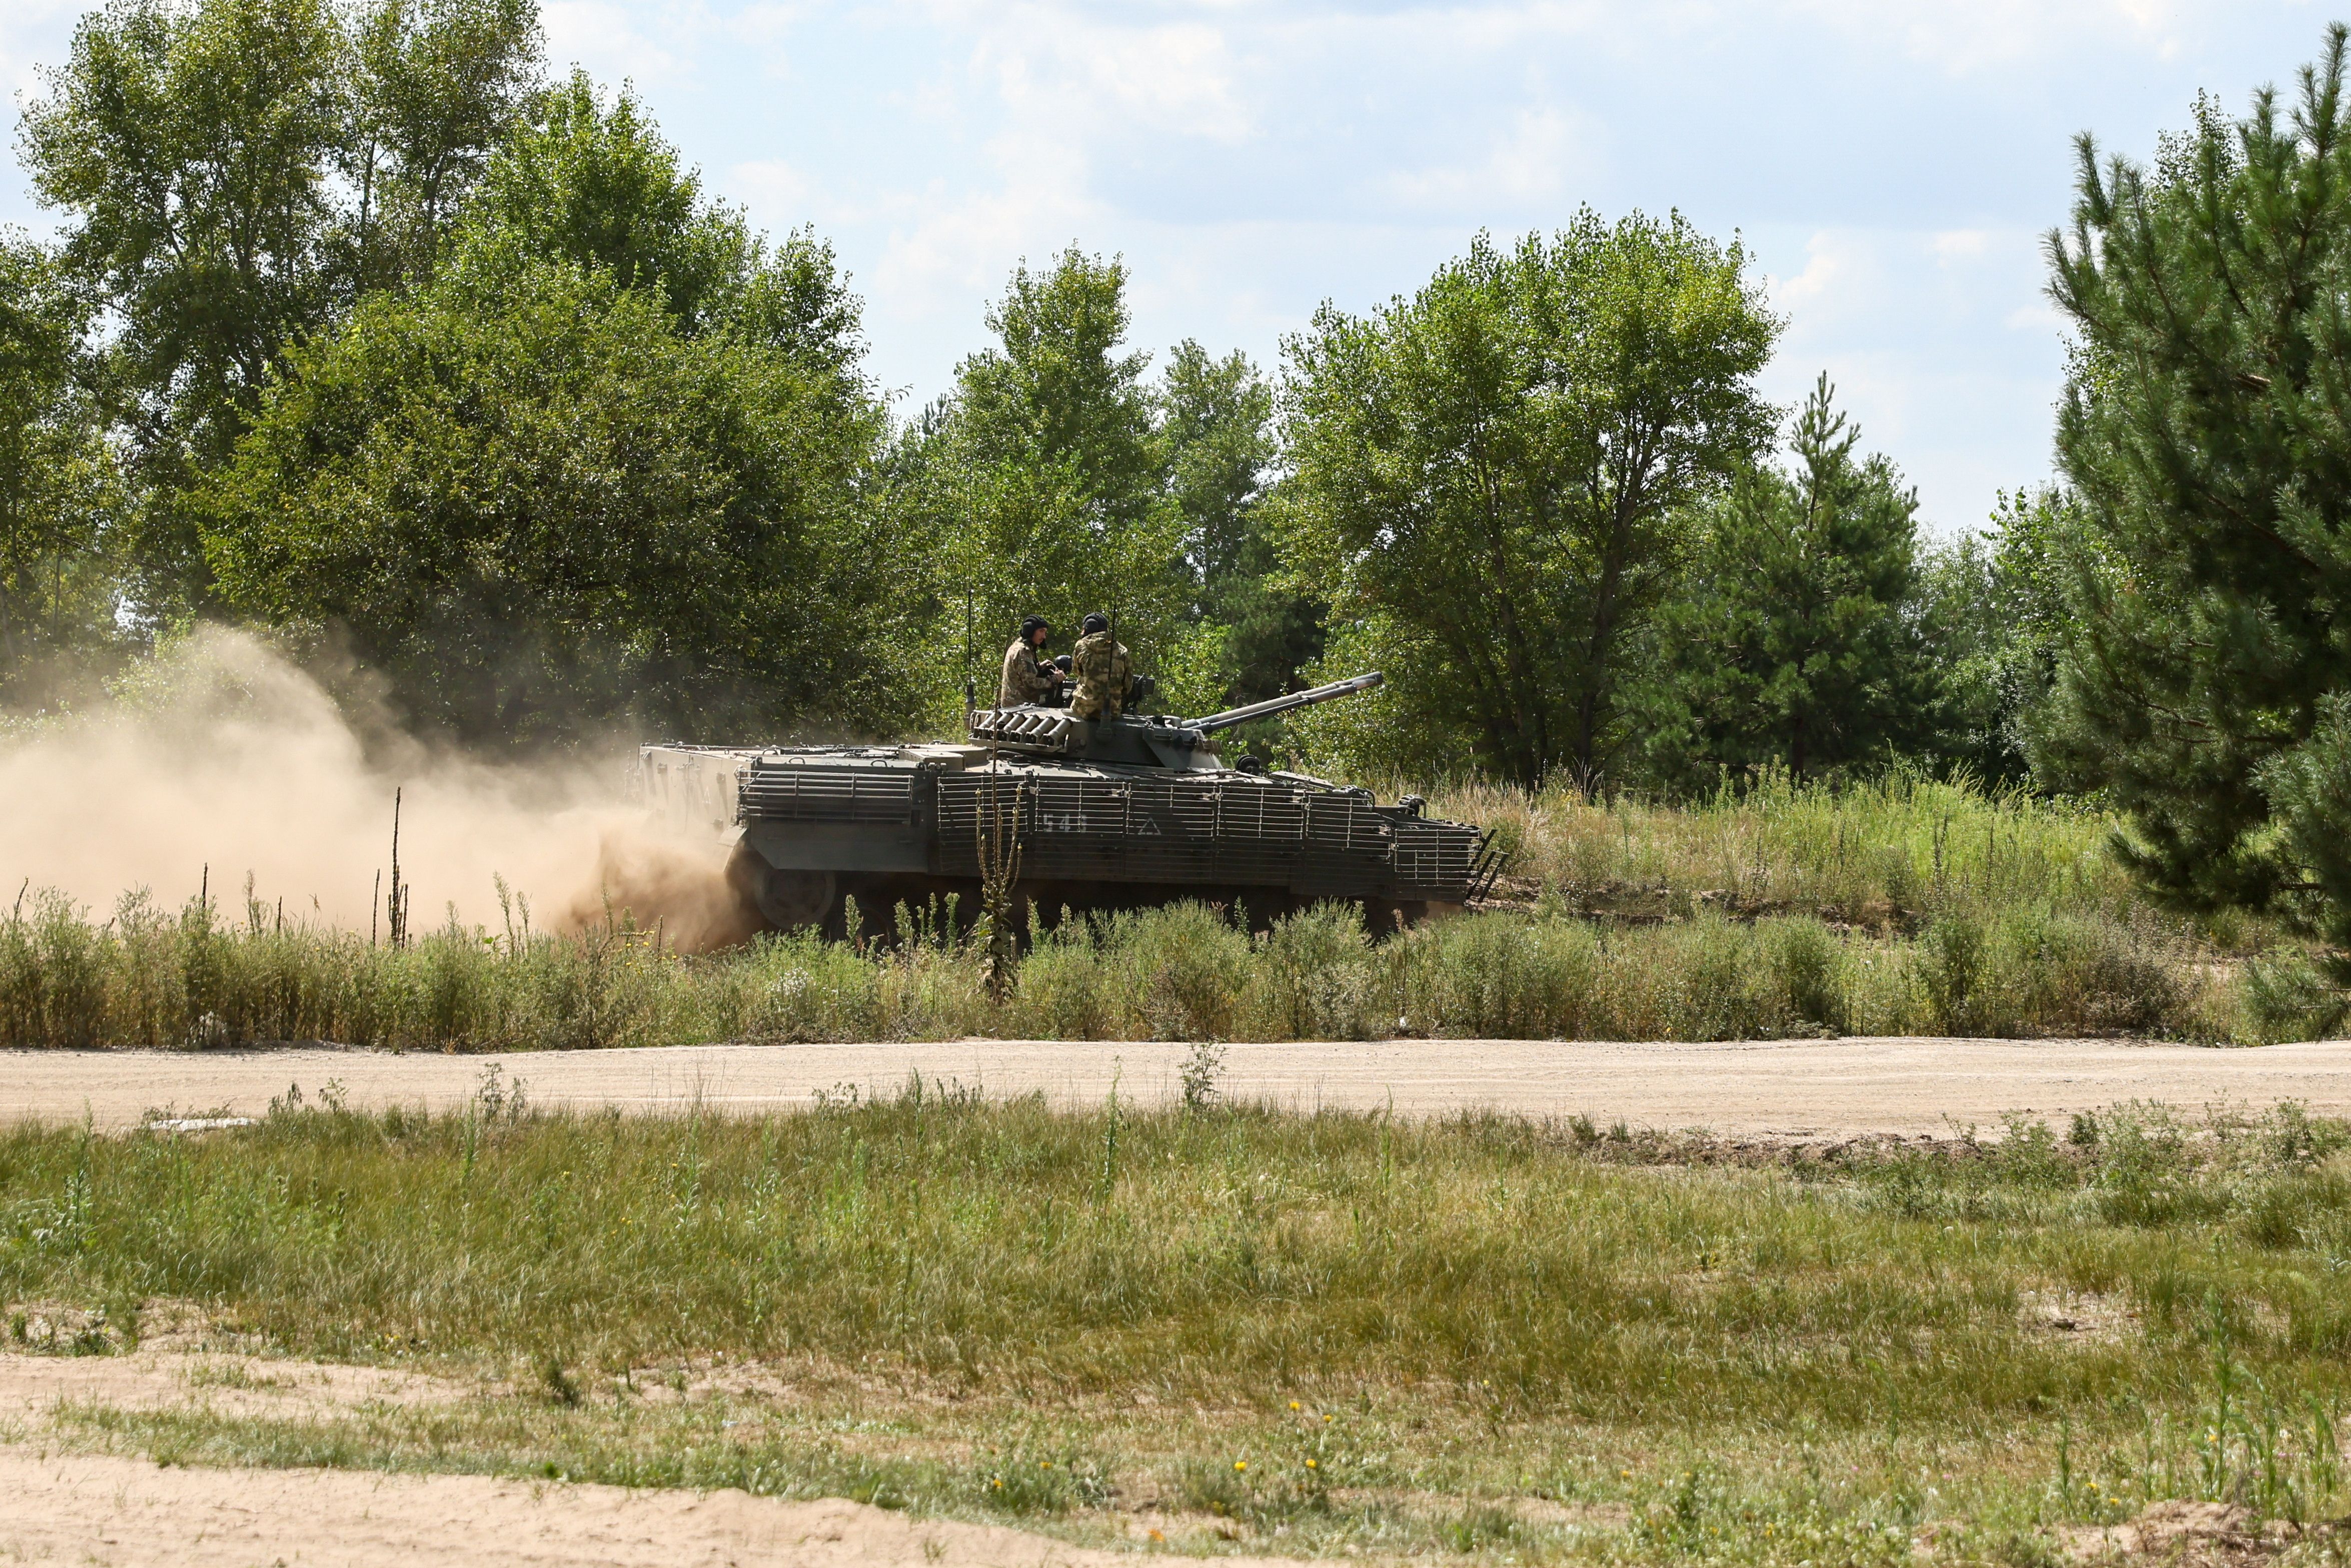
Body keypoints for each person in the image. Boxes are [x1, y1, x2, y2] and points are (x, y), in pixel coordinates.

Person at [1067, 611, 1133, 720]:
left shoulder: (1081, 645)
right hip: (1112, 712)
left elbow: (1076, 671)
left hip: (1083, 710)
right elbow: (1128, 686)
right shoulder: (1123, 651)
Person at [996, 615, 1064, 708]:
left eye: (1045, 632)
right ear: (1030, 631)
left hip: (1016, 706)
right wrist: (1055, 679)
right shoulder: (1023, 651)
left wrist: (1038, 668)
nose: (1044, 636)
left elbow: (1022, 674)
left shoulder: (1018, 646)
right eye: (1041, 631)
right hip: (1018, 707)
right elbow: (1032, 682)